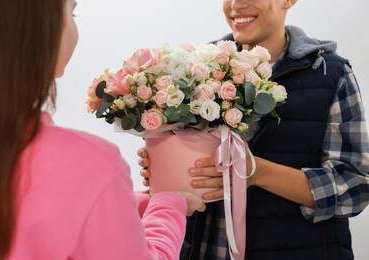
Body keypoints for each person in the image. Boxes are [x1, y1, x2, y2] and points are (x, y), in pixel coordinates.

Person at [138, 0, 369, 259]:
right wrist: (165, 167)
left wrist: (256, 172)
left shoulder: (330, 73)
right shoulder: (196, 71)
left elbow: (355, 186)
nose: (237, 4)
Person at [0, 0, 207, 259]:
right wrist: (169, 206)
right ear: (42, 28)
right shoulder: (90, 165)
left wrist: (134, 201)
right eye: (71, 11)